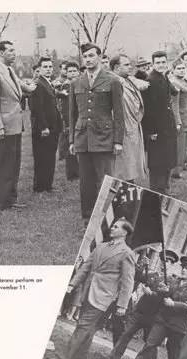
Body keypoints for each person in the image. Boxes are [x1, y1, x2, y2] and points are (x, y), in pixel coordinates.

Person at [55, 218, 135, 359]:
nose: (112, 228)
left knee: (83, 325)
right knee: (89, 329)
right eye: (113, 225)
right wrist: (73, 284)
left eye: (116, 227)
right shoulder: (101, 246)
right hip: (87, 291)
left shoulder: (127, 253)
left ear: (124, 233)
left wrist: (122, 305)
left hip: (103, 296)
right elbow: (86, 267)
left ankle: (63, 358)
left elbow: (127, 281)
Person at [69, 42, 125, 223]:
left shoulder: (112, 81)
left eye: (92, 56)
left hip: (104, 138)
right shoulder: (76, 82)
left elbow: (118, 113)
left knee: (106, 181)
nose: (88, 60)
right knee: (86, 182)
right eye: (85, 57)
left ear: (100, 57)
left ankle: (108, 217)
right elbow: (72, 114)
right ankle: (88, 219)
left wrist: (118, 140)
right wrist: (72, 140)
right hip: (82, 138)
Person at [0, 40, 36, 210]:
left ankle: (11, 200)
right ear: (0, 53)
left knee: (14, 164)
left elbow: (23, 87)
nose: (14, 53)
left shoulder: (9, 70)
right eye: (10, 51)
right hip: (3, 128)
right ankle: (4, 202)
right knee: (4, 165)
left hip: (14, 125)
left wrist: (35, 84)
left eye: (14, 50)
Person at [132, 256, 187, 359]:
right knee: (150, 344)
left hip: (178, 325)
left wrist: (174, 304)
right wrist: (161, 291)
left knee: (173, 352)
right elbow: (162, 296)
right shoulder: (173, 281)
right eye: (183, 267)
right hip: (162, 319)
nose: (184, 270)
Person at [142, 51, 178, 194]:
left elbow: (171, 95)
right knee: (157, 165)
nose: (161, 65)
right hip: (157, 130)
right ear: (153, 64)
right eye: (158, 63)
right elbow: (148, 109)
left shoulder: (163, 78)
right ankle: (157, 193)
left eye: (163, 62)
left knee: (166, 162)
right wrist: (151, 132)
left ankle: (164, 191)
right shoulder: (151, 81)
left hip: (167, 127)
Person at [110, 54, 147, 183]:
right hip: (123, 129)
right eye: (126, 65)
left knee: (130, 167)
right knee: (123, 168)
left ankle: (129, 189)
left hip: (133, 126)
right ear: (116, 67)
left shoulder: (127, 79)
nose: (130, 67)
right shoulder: (114, 82)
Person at [30, 57, 62, 193]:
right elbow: (37, 108)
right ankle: (40, 186)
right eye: (45, 67)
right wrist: (43, 127)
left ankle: (46, 185)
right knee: (42, 157)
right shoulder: (39, 84)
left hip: (52, 127)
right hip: (45, 128)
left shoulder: (48, 83)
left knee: (49, 156)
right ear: (40, 69)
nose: (48, 69)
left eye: (50, 67)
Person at [169, 58, 187, 178]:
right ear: (173, 70)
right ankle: (176, 172)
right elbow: (174, 104)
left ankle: (182, 166)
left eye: (183, 68)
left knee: (185, 145)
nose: (182, 70)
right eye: (179, 68)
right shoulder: (174, 82)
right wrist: (177, 121)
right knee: (179, 146)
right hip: (181, 118)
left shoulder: (183, 81)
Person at [59, 62, 80, 181]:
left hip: (77, 117)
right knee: (70, 147)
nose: (72, 73)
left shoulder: (77, 83)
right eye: (70, 71)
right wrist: (67, 123)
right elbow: (66, 107)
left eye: (74, 71)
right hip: (70, 120)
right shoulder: (67, 85)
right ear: (66, 73)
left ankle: (76, 171)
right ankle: (72, 174)